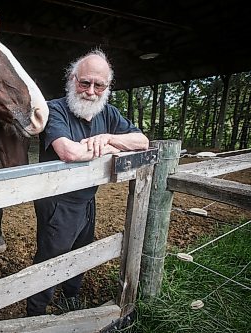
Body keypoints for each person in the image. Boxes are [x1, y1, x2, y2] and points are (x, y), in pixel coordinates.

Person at [26, 49, 149, 316]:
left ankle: (70, 297)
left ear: (107, 87)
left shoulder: (108, 114)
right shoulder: (54, 109)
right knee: (51, 257)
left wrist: (108, 139)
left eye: (99, 85)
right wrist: (111, 148)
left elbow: (142, 142)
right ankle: (35, 312)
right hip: (58, 200)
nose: (91, 91)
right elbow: (69, 152)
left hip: (88, 197)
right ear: (73, 79)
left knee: (82, 248)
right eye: (85, 83)